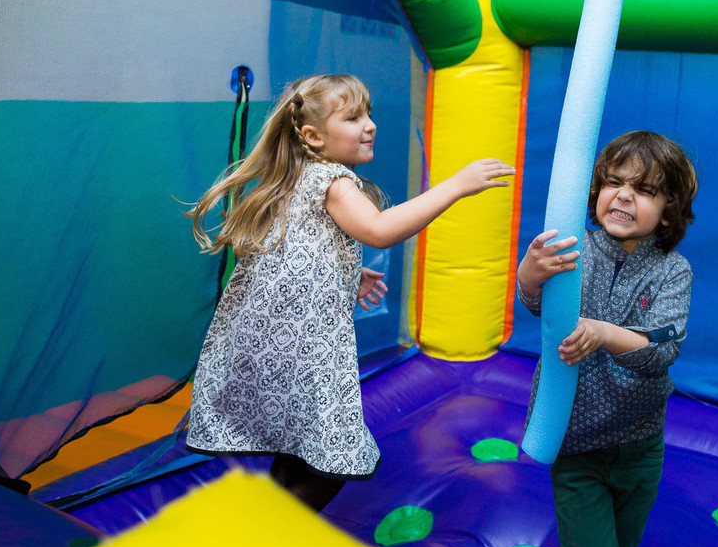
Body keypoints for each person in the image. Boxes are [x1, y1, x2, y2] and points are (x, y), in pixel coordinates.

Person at [186, 74, 514, 512]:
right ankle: (276, 529)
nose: (370, 124)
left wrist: (346, 274)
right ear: (313, 136)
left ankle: (273, 515)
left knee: (300, 444)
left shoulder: (297, 175)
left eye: (369, 113)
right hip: (306, 348)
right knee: (336, 455)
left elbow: (295, 249)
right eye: (354, 117)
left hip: (269, 339)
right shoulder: (334, 179)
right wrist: (455, 185)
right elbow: (378, 230)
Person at [516, 130, 698, 547]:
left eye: (644, 190)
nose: (624, 196)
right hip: (577, 445)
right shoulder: (574, 249)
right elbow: (539, 305)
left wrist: (603, 333)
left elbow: (661, 351)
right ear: (596, 189)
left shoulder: (673, 271)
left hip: (639, 445)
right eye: (614, 182)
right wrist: (530, 274)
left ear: (669, 211)